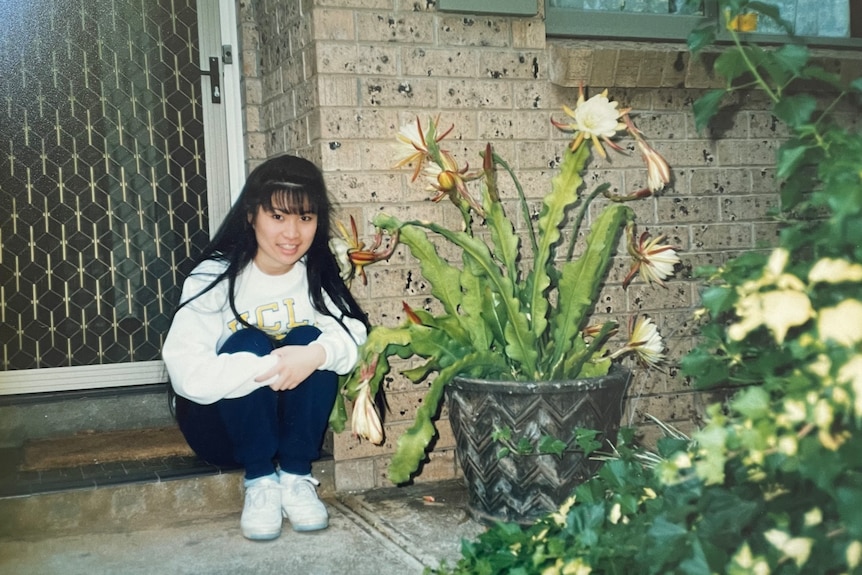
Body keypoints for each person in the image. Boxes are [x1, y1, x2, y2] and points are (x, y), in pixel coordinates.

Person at [162, 155, 369, 541]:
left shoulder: (313, 276)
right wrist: (271, 364)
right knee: (248, 341)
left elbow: (355, 333)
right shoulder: (215, 277)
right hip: (219, 431)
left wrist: (313, 356)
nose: (292, 233)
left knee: (311, 340)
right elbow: (187, 373)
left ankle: (295, 477)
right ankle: (259, 482)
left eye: (305, 218)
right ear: (250, 215)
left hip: (284, 428)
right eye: (278, 217)